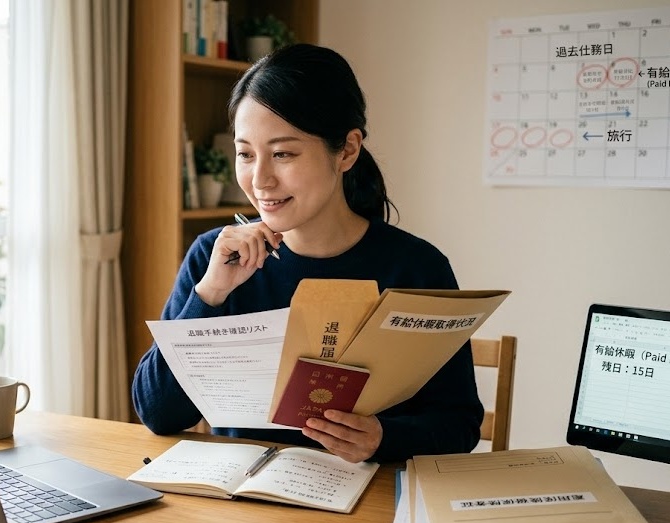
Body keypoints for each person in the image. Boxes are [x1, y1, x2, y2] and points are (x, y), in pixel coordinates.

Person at [132, 44, 482, 463]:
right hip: (246, 505)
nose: (259, 179)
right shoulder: (216, 257)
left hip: (368, 505)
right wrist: (208, 295)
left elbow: (459, 424)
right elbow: (158, 414)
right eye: (245, 154)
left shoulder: (417, 267)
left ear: (347, 151)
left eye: (283, 154)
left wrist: (383, 437)